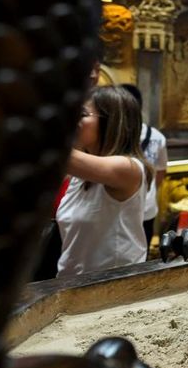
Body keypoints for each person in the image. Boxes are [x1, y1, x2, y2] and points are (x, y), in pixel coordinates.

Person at [56, 86, 153, 276]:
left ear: (111, 121)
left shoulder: (128, 168)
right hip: (73, 285)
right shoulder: (79, 175)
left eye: (82, 114)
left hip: (112, 288)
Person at [119, 84, 167, 251]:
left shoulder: (114, 137)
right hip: (145, 205)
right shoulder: (158, 136)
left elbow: (160, 172)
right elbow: (160, 172)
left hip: (134, 209)